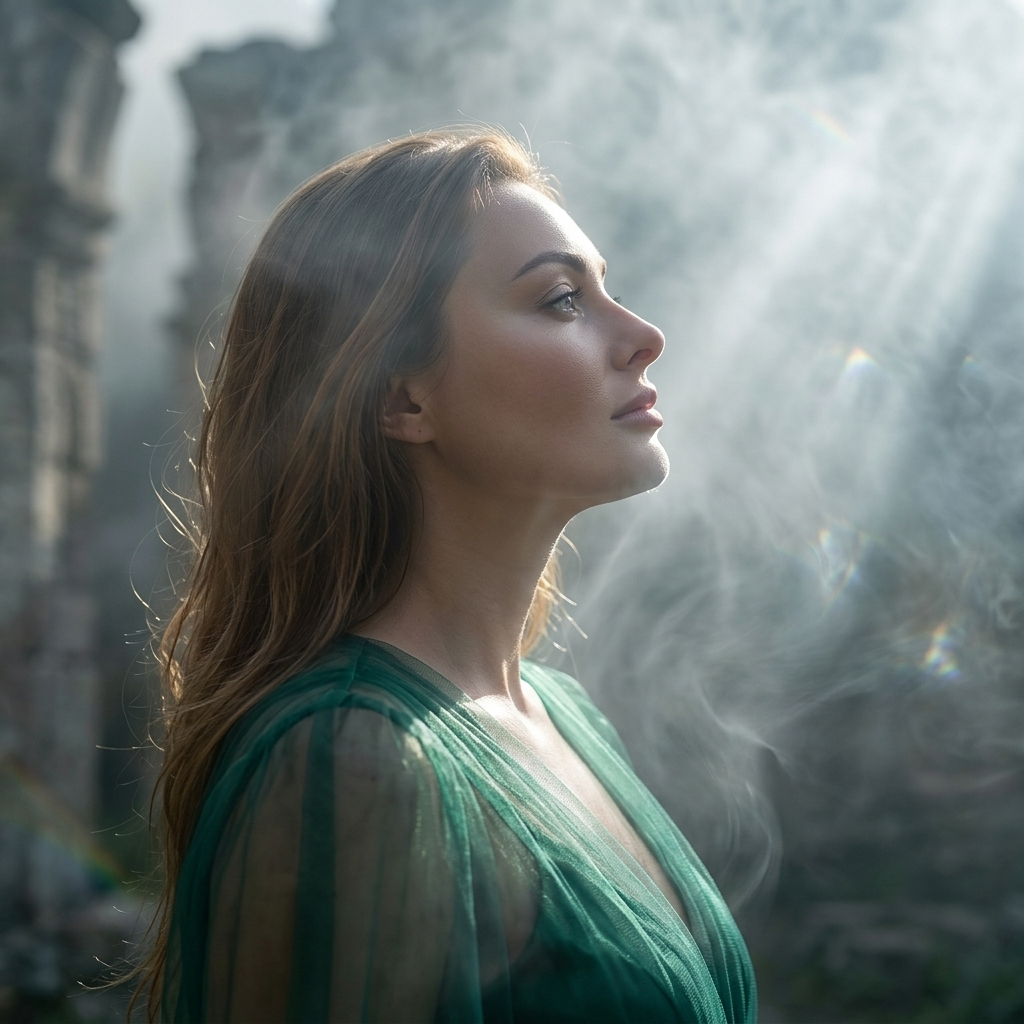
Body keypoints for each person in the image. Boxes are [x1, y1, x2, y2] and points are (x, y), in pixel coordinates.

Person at [140, 128, 756, 1023]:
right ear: (403, 398)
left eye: (605, 289)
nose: (643, 335)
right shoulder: (351, 759)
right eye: (559, 300)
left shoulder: (566, 717)